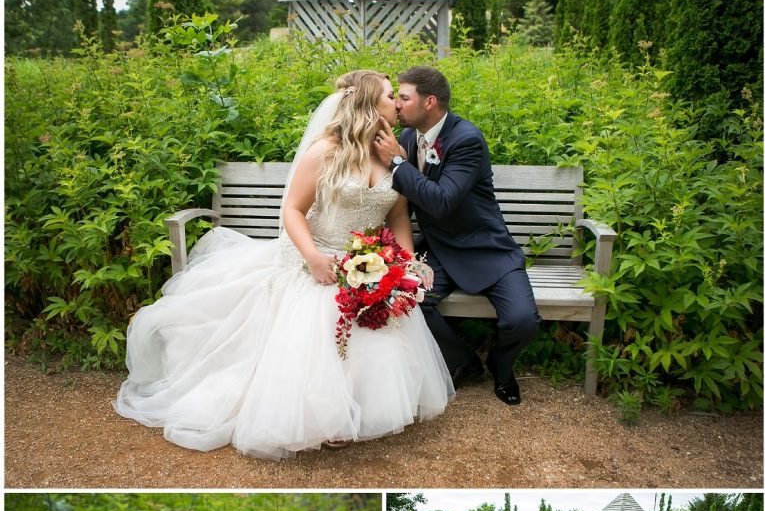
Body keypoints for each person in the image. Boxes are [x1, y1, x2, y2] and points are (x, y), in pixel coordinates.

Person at [114, 70, 453, 460]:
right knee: (324, 316)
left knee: (379, 319)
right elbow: (292, 209)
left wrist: (405, 265)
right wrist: (313, 258)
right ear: (366, 104)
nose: (397, 103)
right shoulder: (325, 151)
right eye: (390, 96)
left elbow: (397, 219)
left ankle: (362, 407)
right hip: (316, 256)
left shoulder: (394, 153)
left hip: (366, 262)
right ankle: (326, 415)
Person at [372, 66, 540, 405]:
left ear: (429, 101)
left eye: (404, 98)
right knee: (408, 301)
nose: (398, 105)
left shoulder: (466, 139)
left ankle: (501, 366)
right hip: (439, 251)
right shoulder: (405, 139)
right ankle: (463, 359)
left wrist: (399, 165)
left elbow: (443, 202)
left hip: (485, 249)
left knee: (522, 321)